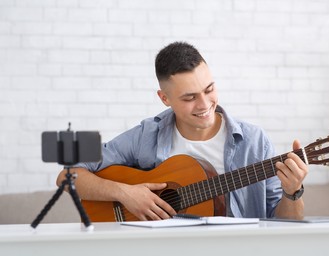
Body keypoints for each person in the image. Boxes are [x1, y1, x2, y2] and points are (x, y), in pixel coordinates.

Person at [56, 41, 308, 221]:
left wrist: (292, 191)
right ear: (164, 98)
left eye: (209, 89)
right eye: (189, 97)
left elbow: (287, 224)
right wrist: (127, 193)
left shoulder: (255, 141)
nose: (205, 105)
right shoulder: (147, 134)